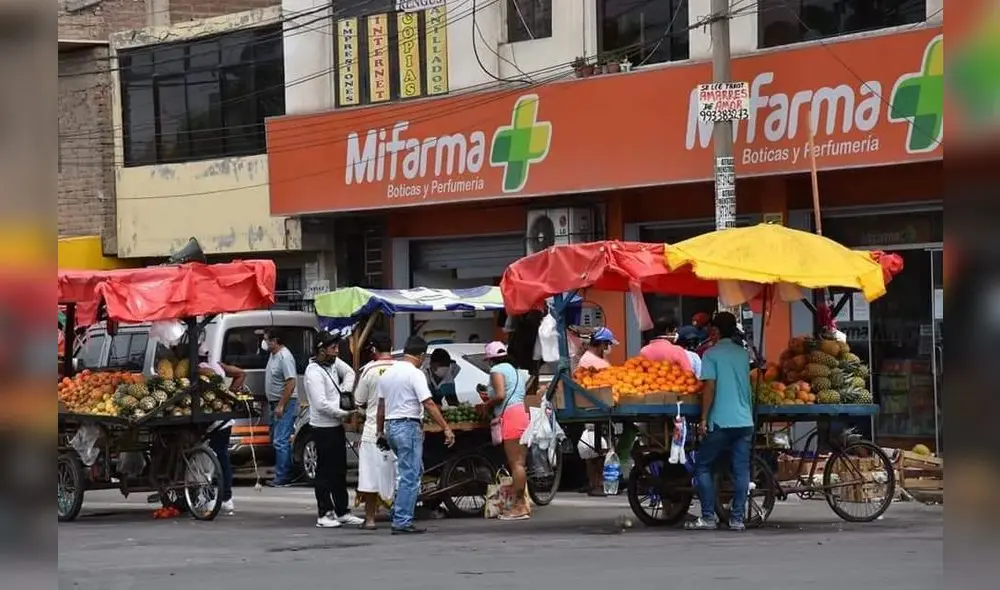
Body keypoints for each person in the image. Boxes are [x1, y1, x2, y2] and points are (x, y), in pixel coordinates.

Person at [376, 336, 455, 535]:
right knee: (409, 476)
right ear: (421, 356)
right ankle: (402, 521)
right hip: (407, 426)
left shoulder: (387, 373)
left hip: (391, 426)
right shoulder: (415, 374)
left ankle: (398, 511)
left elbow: (381, 407)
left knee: (410, 472)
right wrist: (445, 427)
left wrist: (380, 431)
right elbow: (428, 403)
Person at [686, 311, 754, 532]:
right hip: (745, 421)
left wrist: (704, 418)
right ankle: (736, 519)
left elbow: (710, 388)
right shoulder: (743, 355)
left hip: (722, 422)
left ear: (715, 330)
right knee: (741, 471)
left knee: (702, 466)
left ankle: (707, 517)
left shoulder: (711, 355)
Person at [304, 332, 364, 528]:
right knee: (324, 471)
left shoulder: (333, 364)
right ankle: (324, 513)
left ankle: (342, 511)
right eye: (333, 348)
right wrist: (341, 413)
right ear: (322, 350)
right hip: (322, 428)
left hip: (336, 427)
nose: (337, 351)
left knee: (339, 470)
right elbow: (320, 404)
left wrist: (345, 392)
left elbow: (350, 373)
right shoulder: (314, 372)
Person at [477, 341, 531, 520]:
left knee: (516, 464)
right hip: (521, 414)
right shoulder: (516, 371)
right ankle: (522, 505)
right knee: (520, 463)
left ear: (491, 359)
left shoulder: (497, 370)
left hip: (510, 416)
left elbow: (500, 395)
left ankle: (519, 506)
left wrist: (486, 404)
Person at [353, 332, 396, 530]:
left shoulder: (369, 371)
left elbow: (358, 401)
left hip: (372, 430)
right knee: (398, 475)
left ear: (373, 349)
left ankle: (370, 519)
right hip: (397, 428)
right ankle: (401, 516)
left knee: (370, 476)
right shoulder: (400, 368)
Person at [197, 341, 246, 515]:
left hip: (211, 422)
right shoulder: (217, 366)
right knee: (222, 457)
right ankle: (227, 498)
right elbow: (240, 373)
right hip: (224, 420)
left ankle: (210, 498)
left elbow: (207, 374)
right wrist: (230, 396)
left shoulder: (200, 369)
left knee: (204, 463)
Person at [263, 329, 299, 487]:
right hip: (274, 402)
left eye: (266, 340)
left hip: (284, 402)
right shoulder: (273, 355)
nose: (264, 343)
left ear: (275, 341)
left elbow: (291, 382)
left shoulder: (285, 357)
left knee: (280, 440)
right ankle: (283, 470)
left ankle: (283, 477)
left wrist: (281, 405)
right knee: (277, 439)